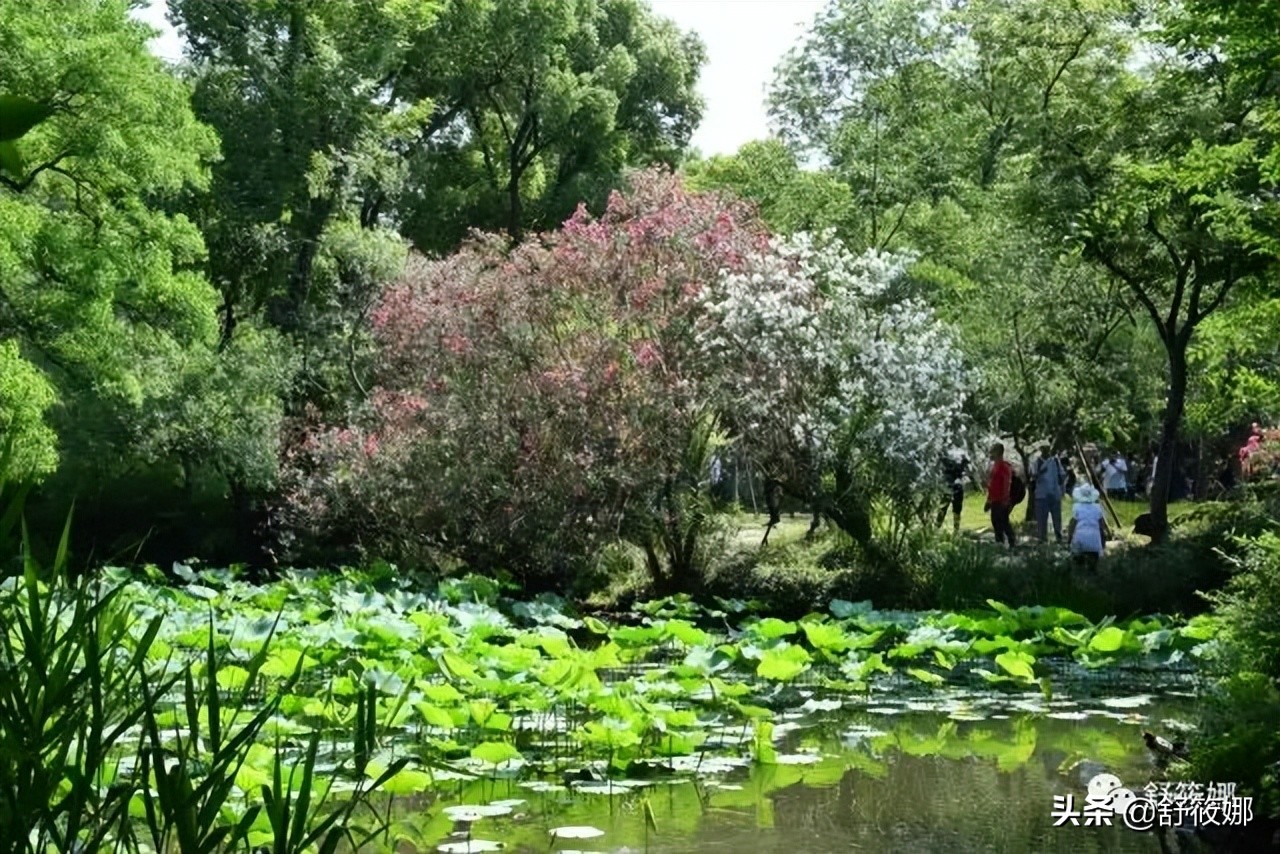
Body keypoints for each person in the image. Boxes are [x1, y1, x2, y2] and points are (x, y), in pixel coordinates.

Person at [1068, 482, 1110, 570]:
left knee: (1078, 562)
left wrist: (1070, 538)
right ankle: (1092, 574)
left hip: (1080, 538)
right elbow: (1101, 527)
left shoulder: (1077, 507)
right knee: (1093, 564)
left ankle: (1079, 577)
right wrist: (1103, 541)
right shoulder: (1097, 508)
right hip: (1094, 539)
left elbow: (1072, 525)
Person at [1030, 441, 1066, 544]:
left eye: (1048, 448)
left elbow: (1062, 475)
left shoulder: (1055, 460)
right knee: (1042, 519)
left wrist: (1061, 487)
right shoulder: (1037, 462)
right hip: (1041, 494)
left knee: (1057, 518)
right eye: (1044, 448)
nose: (1046, 450)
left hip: (1055, 493)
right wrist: (1040, 471)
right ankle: (1042, 539)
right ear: (1041, 449)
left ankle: (1059, 538)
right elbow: (1033, 476)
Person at [984, 442, 1016, 548]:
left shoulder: (1004, 466)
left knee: (1003, 522)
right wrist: (989, 500)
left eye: (992, 451)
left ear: (998, 452)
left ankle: (1012, 542)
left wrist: (1005, 500)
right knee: (996, 522)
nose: (990, 453)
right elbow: (992, 485)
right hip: (994, 499)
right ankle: (1000, 543)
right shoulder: (995, 466)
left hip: (1001, 500)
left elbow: (1006, 484)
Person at [937, 449, 971, 534]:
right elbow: (967, 468)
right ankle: (955, 530)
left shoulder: (945, 453)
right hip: (957, 485)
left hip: (948, 485)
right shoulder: (962, 454)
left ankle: (936, 528)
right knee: (955, 510)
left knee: (943, 508)